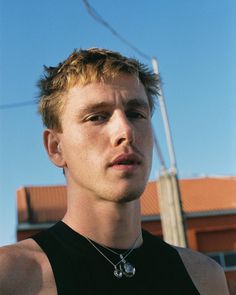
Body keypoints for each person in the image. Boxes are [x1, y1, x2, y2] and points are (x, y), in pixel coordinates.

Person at [0, 48, 229, 295]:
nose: (126, 132)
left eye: (136, 114)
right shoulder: (11, 277)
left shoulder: (205, 278)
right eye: (97, 117)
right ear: (56, 148)